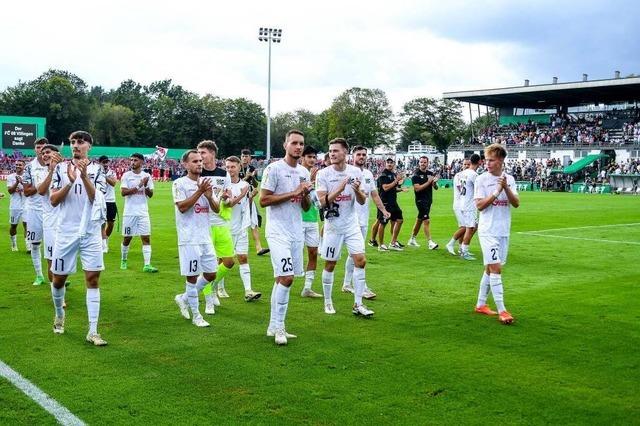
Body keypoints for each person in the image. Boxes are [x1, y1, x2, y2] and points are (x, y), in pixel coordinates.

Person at [49, 130, 107, 345]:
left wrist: (83, 177)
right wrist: (70, 182)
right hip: (66, 231)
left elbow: (96, 199)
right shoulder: (61, 169)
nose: (75, 145)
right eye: (73, 142)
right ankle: (59, 314)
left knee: (93, 278)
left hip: (91, 231)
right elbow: (53, 200)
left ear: (89, 146)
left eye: (80, 142)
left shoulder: (98, 170)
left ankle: (93, 331)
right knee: (58, 279)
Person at [260, 129, 312, 345]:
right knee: (287, 277)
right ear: (285, 145)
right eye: (294, 143)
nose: (298, 147)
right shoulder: (273, 169)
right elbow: (263, 201)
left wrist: (306, 194)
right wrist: (295, 192)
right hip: (277, 231)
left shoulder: (305, 172)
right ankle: (280, 327)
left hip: (296, 231)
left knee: (282, 279)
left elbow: (305, 206)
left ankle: (273, 326)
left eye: (301, 143)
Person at [316, 138, 374, 317]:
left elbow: (363, 200)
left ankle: (358, 304)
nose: (332, 154)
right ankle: (327, 301)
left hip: (351, 224)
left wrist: (357, 190)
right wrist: (340, 189)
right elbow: (322, 202)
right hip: (333, 225)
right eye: (330, 151)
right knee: (331, 264)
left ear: (345, 153)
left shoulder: (355, 171)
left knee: (361, 260)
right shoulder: (323, 174)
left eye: (336, 151)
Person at [172, 150, 220, 328]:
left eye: (200, 161)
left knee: (211, 274)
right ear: (185, 164)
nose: (199, 164)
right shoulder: (179, 184)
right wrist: (200, 192)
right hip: (188, 237)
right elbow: (182, 207)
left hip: (205, 236)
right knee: (192, 277)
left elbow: (216, 209)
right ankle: (196, 316)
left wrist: (208, 195)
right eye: (194, 161)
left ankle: (183, 298)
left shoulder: (207, 184)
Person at [473, 144, 519, 325]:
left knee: (489, 268)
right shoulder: (481, 180)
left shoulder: (510, 179)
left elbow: (516, 203)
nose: (487, 163)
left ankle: (480, 305)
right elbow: (479, 206)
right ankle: (502, 310)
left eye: (491, 160)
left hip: (503, 231)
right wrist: (496, 191)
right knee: (496, 268)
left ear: (500, 161)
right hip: (487, 231)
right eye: (487, 160)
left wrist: (506, 187)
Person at [342, 146, 390, 299]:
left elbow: (374, 195)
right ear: (352, 156)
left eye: (364, 154)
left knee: (354, 254)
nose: (362, 157)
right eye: (359, 154)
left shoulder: (368, 174)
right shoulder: (347, 172)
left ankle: (348, 284)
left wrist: (383, 210)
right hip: (348, 220)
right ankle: (360, 286)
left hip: (363, 220)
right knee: (355, 255)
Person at [198, 140, 235, 307]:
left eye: (203, 153)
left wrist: (228, 199)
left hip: (220, 222)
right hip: (203, 223)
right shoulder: (197, 173)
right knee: (207, 264)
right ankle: (208, 300)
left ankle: (211, 286)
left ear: (212, 153)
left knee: (228, 261)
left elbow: (229, 199)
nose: (200, 157)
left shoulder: (223, 174)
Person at [221, 156, 262, 303]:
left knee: (243, 258)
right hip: (225, 228)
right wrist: (243, 194)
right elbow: (227, 205)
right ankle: (219, 287)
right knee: (224, 260)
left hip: (241, 227)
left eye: (233, 167)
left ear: (239, 167)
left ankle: (248, 291)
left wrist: (250, 197)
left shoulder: (245, 184)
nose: (230, 170)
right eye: (228, 167)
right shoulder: (223, 185)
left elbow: (247, 204)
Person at [120, 153, 158, 272]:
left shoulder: (147, 176)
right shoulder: (126, 175)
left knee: (146, 238)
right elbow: (123, 192)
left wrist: (146, 186)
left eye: (135, 160)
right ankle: (124, 260)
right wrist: (139, 185)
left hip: (143, 212)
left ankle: (147, 265)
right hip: (129, 213)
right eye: (131, 160)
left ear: (141, 162)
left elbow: (150, 194)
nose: (132, 162)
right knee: (127, 238)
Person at [22, 138, 49, 285]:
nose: (41, 150)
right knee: (35, 244)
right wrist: (42, 185)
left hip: (52, 209)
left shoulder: (55, 165)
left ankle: (55, 274)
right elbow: (26, 192)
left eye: (44, 147)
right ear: (35, 149)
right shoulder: (29, 167)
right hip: (34, 210)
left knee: (55, 243)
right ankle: (39, 275)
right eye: (38, 147)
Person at [299, 145, 323, 298]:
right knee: (294, 255)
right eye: (309, 157)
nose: (312, 160)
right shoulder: (297, 173)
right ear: (302, 158)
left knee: (313, 253)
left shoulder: (317, 175)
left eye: (314, 157)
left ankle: (307, 288)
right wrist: (310, 180)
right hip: (297, 220)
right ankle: (282, 282)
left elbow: (317, 199)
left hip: (312, 219)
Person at [448, 155, 480, 260]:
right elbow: (478, 190)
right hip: (469, 204)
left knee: (471, 227)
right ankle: (463, 251)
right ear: (480, 162)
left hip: (463, 202)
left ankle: (462, 248)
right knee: (469, 228)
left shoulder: (462, 174)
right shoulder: (474, 175)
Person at [240, 149, 269, 256]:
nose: (245, 158)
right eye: (243, 156)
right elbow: (235, 184)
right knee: (238, 223)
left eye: (247, 156)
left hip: (250, 197)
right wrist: (247, 177)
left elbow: (256, 185)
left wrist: (252, 177)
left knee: (254, 222)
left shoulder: (252, 168)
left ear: (250, 158)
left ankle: (259, 248)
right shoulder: (236, 167)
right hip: (238, 200)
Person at [408, 156, 439, 249]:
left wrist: (434, 183)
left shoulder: (430, 174)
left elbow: (436, 188)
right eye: (421, 162)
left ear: (428, 163)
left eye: (425, 162)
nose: (423, 164)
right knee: (426, 220)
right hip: (420, 200)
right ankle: (430, 242)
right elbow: (417, 189)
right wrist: (429, 182)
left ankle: (412, 239)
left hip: (429, 200)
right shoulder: (416, 175)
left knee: (419, 220)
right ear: (419, 163)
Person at [375, 158, 405, 251]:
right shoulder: (383, 175)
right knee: (383, 223)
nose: (389, 164)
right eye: (388, 162)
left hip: (393, 202)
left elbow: (392, 189)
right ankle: (381, 245)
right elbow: (385, 188)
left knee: (399, 220)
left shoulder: (392, 174)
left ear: (394, 164)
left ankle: (393, 242)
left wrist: (401, 189)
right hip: (385, 202)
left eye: (391, 162)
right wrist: (396, 181)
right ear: (385, 164)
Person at [446, 158, 470, 256]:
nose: (467, 166)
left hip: (465, 205)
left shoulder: (470, 176)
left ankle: (461, 248)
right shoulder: (458, 175)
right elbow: (462, 190)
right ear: (462, 165)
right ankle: (450, 244)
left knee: (463, 226)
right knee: (466, 226)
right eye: (465, 164)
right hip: (459, 204)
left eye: (468, 164)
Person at [7, 159, 27, 251]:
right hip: (15, 206)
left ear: (24, 166)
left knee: (27, 225)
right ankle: (14, 245)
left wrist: (23, 182)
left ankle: (28, 246)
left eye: (20, 165)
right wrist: (17, 182)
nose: (18, 166)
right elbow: (10, 191)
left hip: (26, 205)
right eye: (17, 165)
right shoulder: (11, 177)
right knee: (13, 226)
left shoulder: (27, 176)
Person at [99, 156, 118, 253]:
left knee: (110, 223)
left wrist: (104, 176)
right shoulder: (96, 172)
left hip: (110, 200)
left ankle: (105, 239)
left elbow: (114, 183)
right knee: (102, 223)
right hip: (100, 200)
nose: (106, 164)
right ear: (100, 163)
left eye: (107, 162)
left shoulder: (112, 172)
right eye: (104, 162)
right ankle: (103, 244)